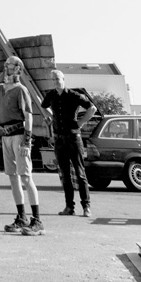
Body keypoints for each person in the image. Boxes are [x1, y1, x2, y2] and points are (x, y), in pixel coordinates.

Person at [0, 55, 44, 235]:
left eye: (10, 65)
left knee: (26, 178)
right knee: (13, 177)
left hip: (19, 136)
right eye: (5, 64)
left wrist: (27, 142)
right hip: (6, 136)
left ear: (18, 69)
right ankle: (22, 217)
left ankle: (37, 221)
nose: (6, 67)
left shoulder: (21, 90)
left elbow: (28, 116)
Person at [40, 70, 96, 217]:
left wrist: (81, 122)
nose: (55, 81)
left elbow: (92, 108)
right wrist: (49, 116)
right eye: (53, 79)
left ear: (63, 79)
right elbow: (43, 106)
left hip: (73, 137)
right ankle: (69, 207)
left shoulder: (73, 95)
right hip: (59, 139)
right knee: (65, 175)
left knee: (80, 173)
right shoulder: (51, 95)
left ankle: (86, 206)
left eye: (58, 78)